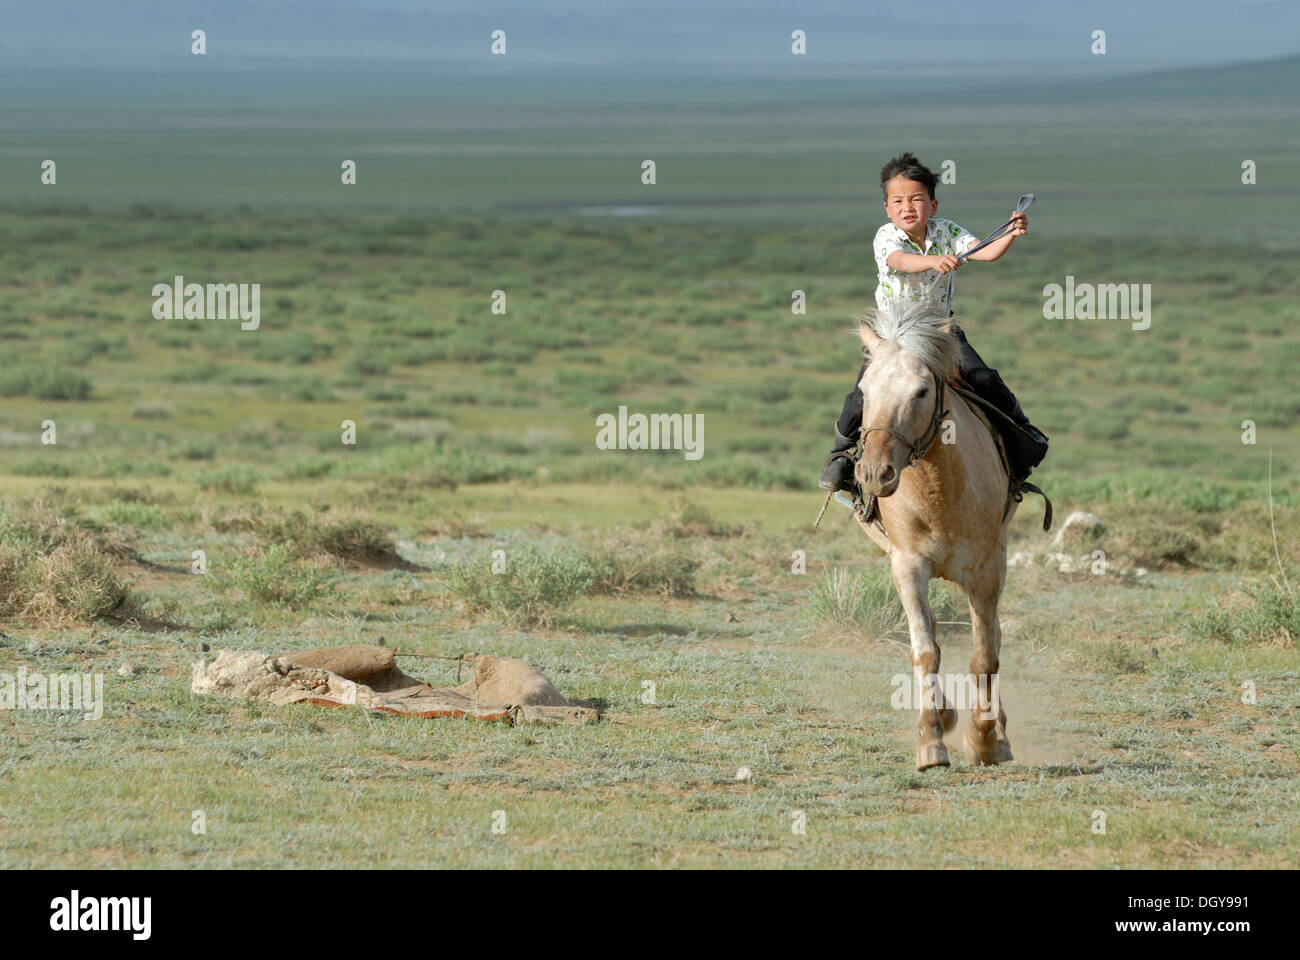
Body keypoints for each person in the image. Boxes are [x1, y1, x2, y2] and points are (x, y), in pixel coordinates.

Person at [819, 152, 1049, 496]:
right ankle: (840, 457)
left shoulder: (947, 230)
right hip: (893, 333)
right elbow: (899, 261)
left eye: (916, 199)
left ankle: (1022, 440)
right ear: (887, 208)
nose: (907, 207)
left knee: (984, 378)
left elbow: (984, 251)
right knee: (864, 393)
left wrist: (1011, 233)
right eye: (897, 201)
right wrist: (933, 260)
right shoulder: (886, 237)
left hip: (939, 331)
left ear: (934, 205)